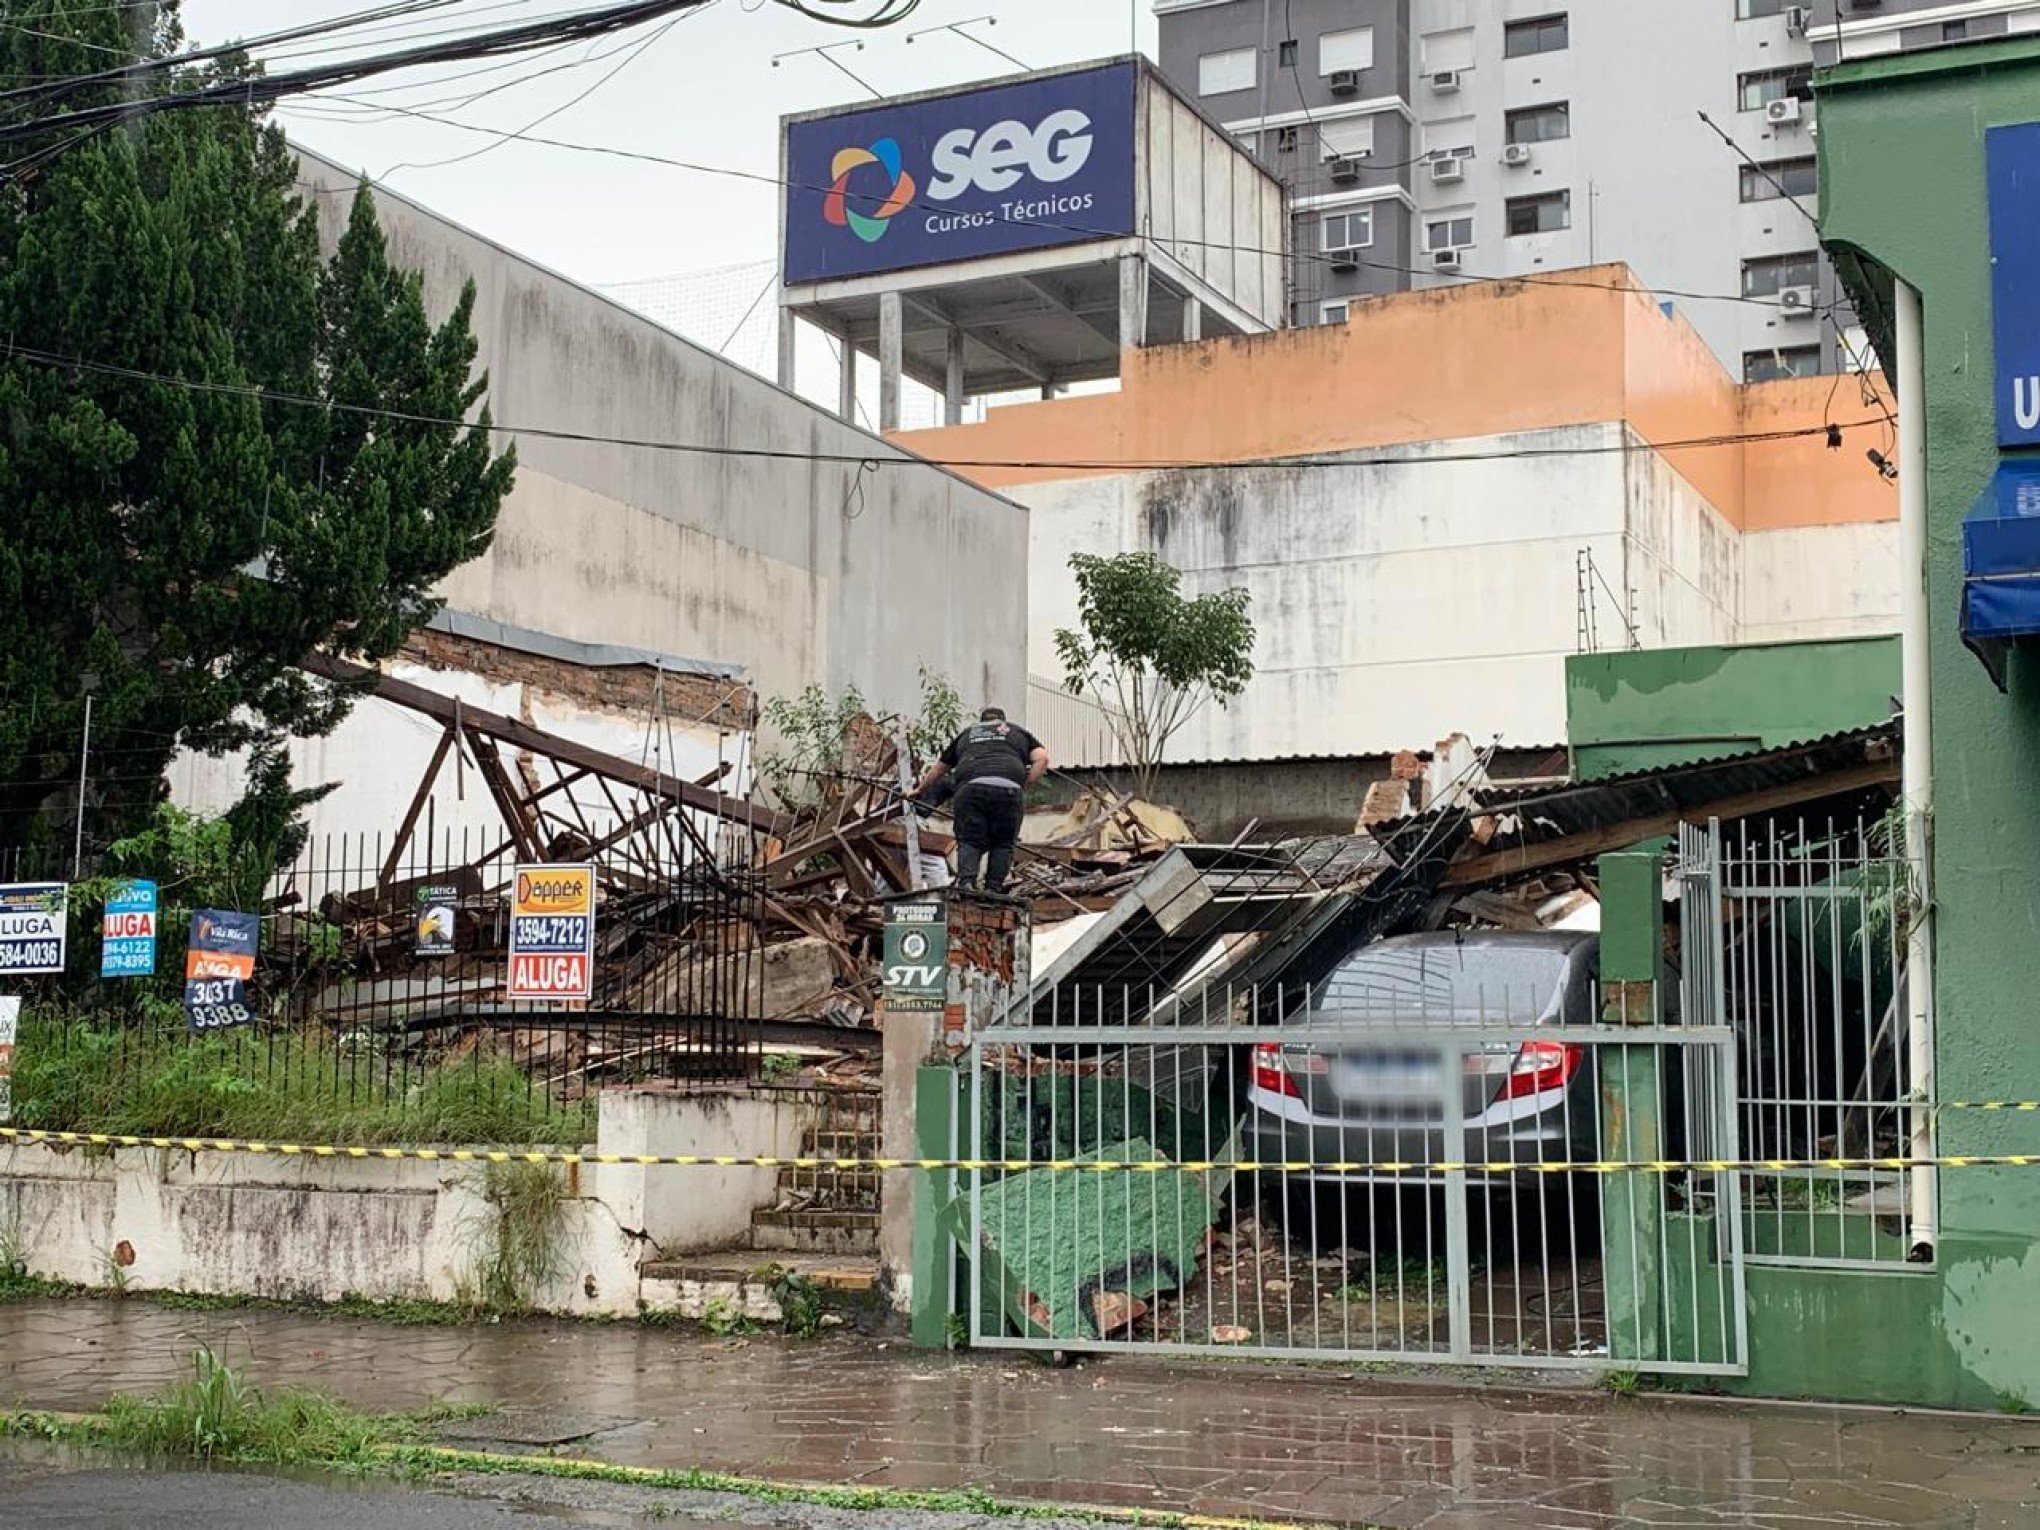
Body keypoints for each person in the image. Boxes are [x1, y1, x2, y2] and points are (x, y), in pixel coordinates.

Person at [915, 706, 1048, 894]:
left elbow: (939, 769)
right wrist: (1024, 783)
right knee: (1003, 843)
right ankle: (993, 889)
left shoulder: (968, 734)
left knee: (969, 840)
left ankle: (967, 884)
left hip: (970, 789)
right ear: (1002, 721)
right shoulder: (1017, 732)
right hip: (1009, 791)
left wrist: (919, 789)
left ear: (982, 722)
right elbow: (1042, 759)